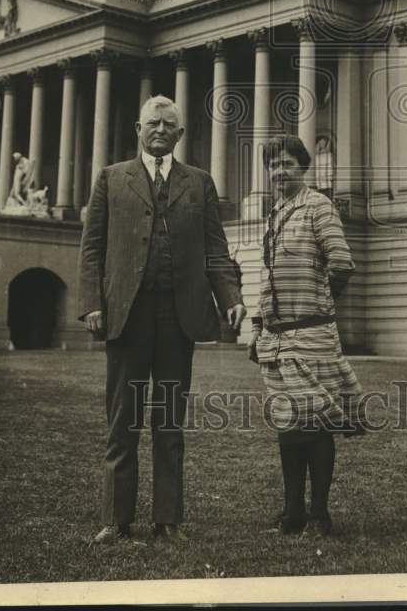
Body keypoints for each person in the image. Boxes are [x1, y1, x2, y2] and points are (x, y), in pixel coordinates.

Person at [78, 95, 246, 544]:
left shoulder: (201, 182)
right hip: (127, 317)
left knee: (169, 423)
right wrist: (93, 303)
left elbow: (215, 248)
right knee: (123, 421)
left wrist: (229, 296)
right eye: (153, 123)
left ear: (180, 134)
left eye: (168, 125)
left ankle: (168, 520)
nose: (160, 130)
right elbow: (92, 248)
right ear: (138, 127)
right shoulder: (111, 179)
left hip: (179, 317)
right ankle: (116, 519)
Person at [248, 134, 363, 537]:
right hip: (275, 340)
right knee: (288, 426)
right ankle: (292, 511)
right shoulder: (275, 214)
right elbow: (268, 279)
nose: (279, 171)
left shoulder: (319, 207)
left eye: (287, 164)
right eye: (273, 165)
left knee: (315, 425)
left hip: (310, 335)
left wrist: (319, 307)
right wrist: (258, 327)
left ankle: (319, 514)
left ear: (304, 167)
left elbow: (342, 264)